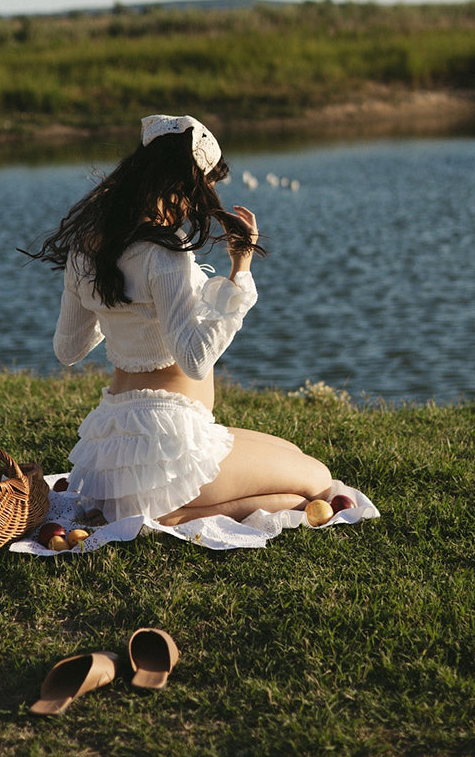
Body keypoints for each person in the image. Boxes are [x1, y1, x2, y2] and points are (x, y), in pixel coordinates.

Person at [29, 114, 332, 527]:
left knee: (291, 454)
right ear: (184, 185)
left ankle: (154, 509)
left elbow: (68, 350)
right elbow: (195, 359)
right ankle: (168, 514)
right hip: (169, 447)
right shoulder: (164, 251)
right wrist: (240, 272)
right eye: (202, 188)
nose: (195, 205)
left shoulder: (87, 248)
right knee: (318, 478)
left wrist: (112, 304)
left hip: (112, 452)